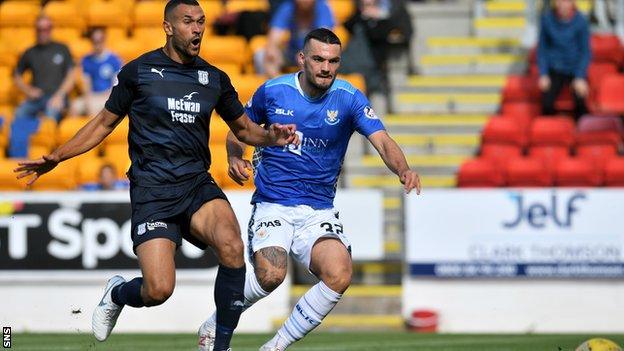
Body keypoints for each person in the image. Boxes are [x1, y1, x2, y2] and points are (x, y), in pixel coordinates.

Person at [14, 1, 299, 351]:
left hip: (196, 183)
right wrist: (58, 156)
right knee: (158, 290)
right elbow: (103, 124)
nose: (197, 29)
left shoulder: (214, 79)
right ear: (167, 27)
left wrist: (271, 136)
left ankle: (218, 345)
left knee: (232, 245)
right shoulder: (139, 72)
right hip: (152, 190)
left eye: (201, 22)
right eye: (188, 22)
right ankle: (118, 292)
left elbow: (244, 129)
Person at [198, 28, 420, 351]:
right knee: (270, 276)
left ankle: (275, 347)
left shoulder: (349, 97)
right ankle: (216, 323)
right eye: (318, 59)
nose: (326, 68)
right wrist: (235, 156)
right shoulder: (273, 92)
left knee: (339, 272)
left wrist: (404, 169)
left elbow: (382, 141)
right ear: (302, 59)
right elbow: (239, 130)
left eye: (333, 61)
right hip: (273, 203)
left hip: (318, 210)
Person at [13, 15, 75, 122]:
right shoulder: (30, 52)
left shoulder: (62, 49)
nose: (42, 33)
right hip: (36, 99)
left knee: (49, 117)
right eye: (39, 29)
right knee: (19, 115)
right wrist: (28, 90)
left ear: (51, 29)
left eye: (46, 29)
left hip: (56, 97)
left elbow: (71, 75)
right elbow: (16, 75)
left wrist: (60, 95)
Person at [537, 0, 590, 120]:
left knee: (581, 100)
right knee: (546, 103)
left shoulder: (581, 21)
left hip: (574, 69)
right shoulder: (547, 20)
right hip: (555, 69)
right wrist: (543, 74)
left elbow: (585, 51)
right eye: (559, 1)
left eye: (566, 1)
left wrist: (580, 76)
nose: (562, 5)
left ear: (572, 3)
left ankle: (581, 133)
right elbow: (542, 50)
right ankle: (551, 132)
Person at [255, 0, 334, 77]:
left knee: (309, 58)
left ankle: (310, 88)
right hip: (291, 52)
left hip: (313, 52)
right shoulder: (288, 7)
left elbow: (324, 38)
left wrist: (306, 52)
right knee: (262, 55)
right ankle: (276, 86)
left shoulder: (322, 7)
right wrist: (272, 49)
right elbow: (274, 36)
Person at [70, 27, 123, 116]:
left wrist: (100, 97)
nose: (97, 43)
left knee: (95, 107)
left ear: (104, 40)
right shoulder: (86, 60)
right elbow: (86, 84)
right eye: (94, 40)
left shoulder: (114, 60)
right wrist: (89, 98)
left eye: (100, 40)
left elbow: (115, 86)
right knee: (74, 106)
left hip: (108, 97)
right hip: (92, 96)